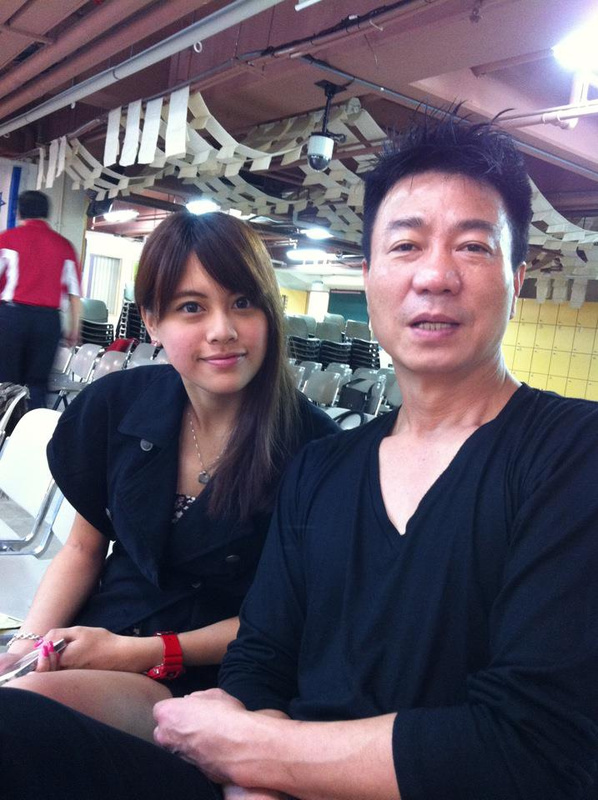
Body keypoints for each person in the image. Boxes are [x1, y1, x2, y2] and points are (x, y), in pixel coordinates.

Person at [1, 113, 597, 800]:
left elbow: (537, 749)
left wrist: (263, 755)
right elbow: (262, 657)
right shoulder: (326, 469)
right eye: (406, 245)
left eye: (472, 246)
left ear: (516, 279)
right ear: (368, 276)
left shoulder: (571, 454)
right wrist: (249, 762)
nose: (435, 274)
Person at [0, 210, 338, 742]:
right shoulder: (116, 406)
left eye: (243, 303)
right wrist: (27, 645)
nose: (223, 331)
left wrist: (141, 652)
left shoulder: (316, 449)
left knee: (22, 720)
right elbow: (83, 549)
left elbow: (291, 619)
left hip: (216, 676)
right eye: (191, 307)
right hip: (100, 639)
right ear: (153, 321)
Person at [0, 190, 82, 409]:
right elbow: (74, 294)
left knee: (5, 381)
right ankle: (32, 425)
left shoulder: (7, 239)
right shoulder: (65, 246)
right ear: (46, 213)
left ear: (19, 212)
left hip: (11, 318)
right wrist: (74, 328)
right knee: (37, 384)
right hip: (48, 322)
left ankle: (4, 426)